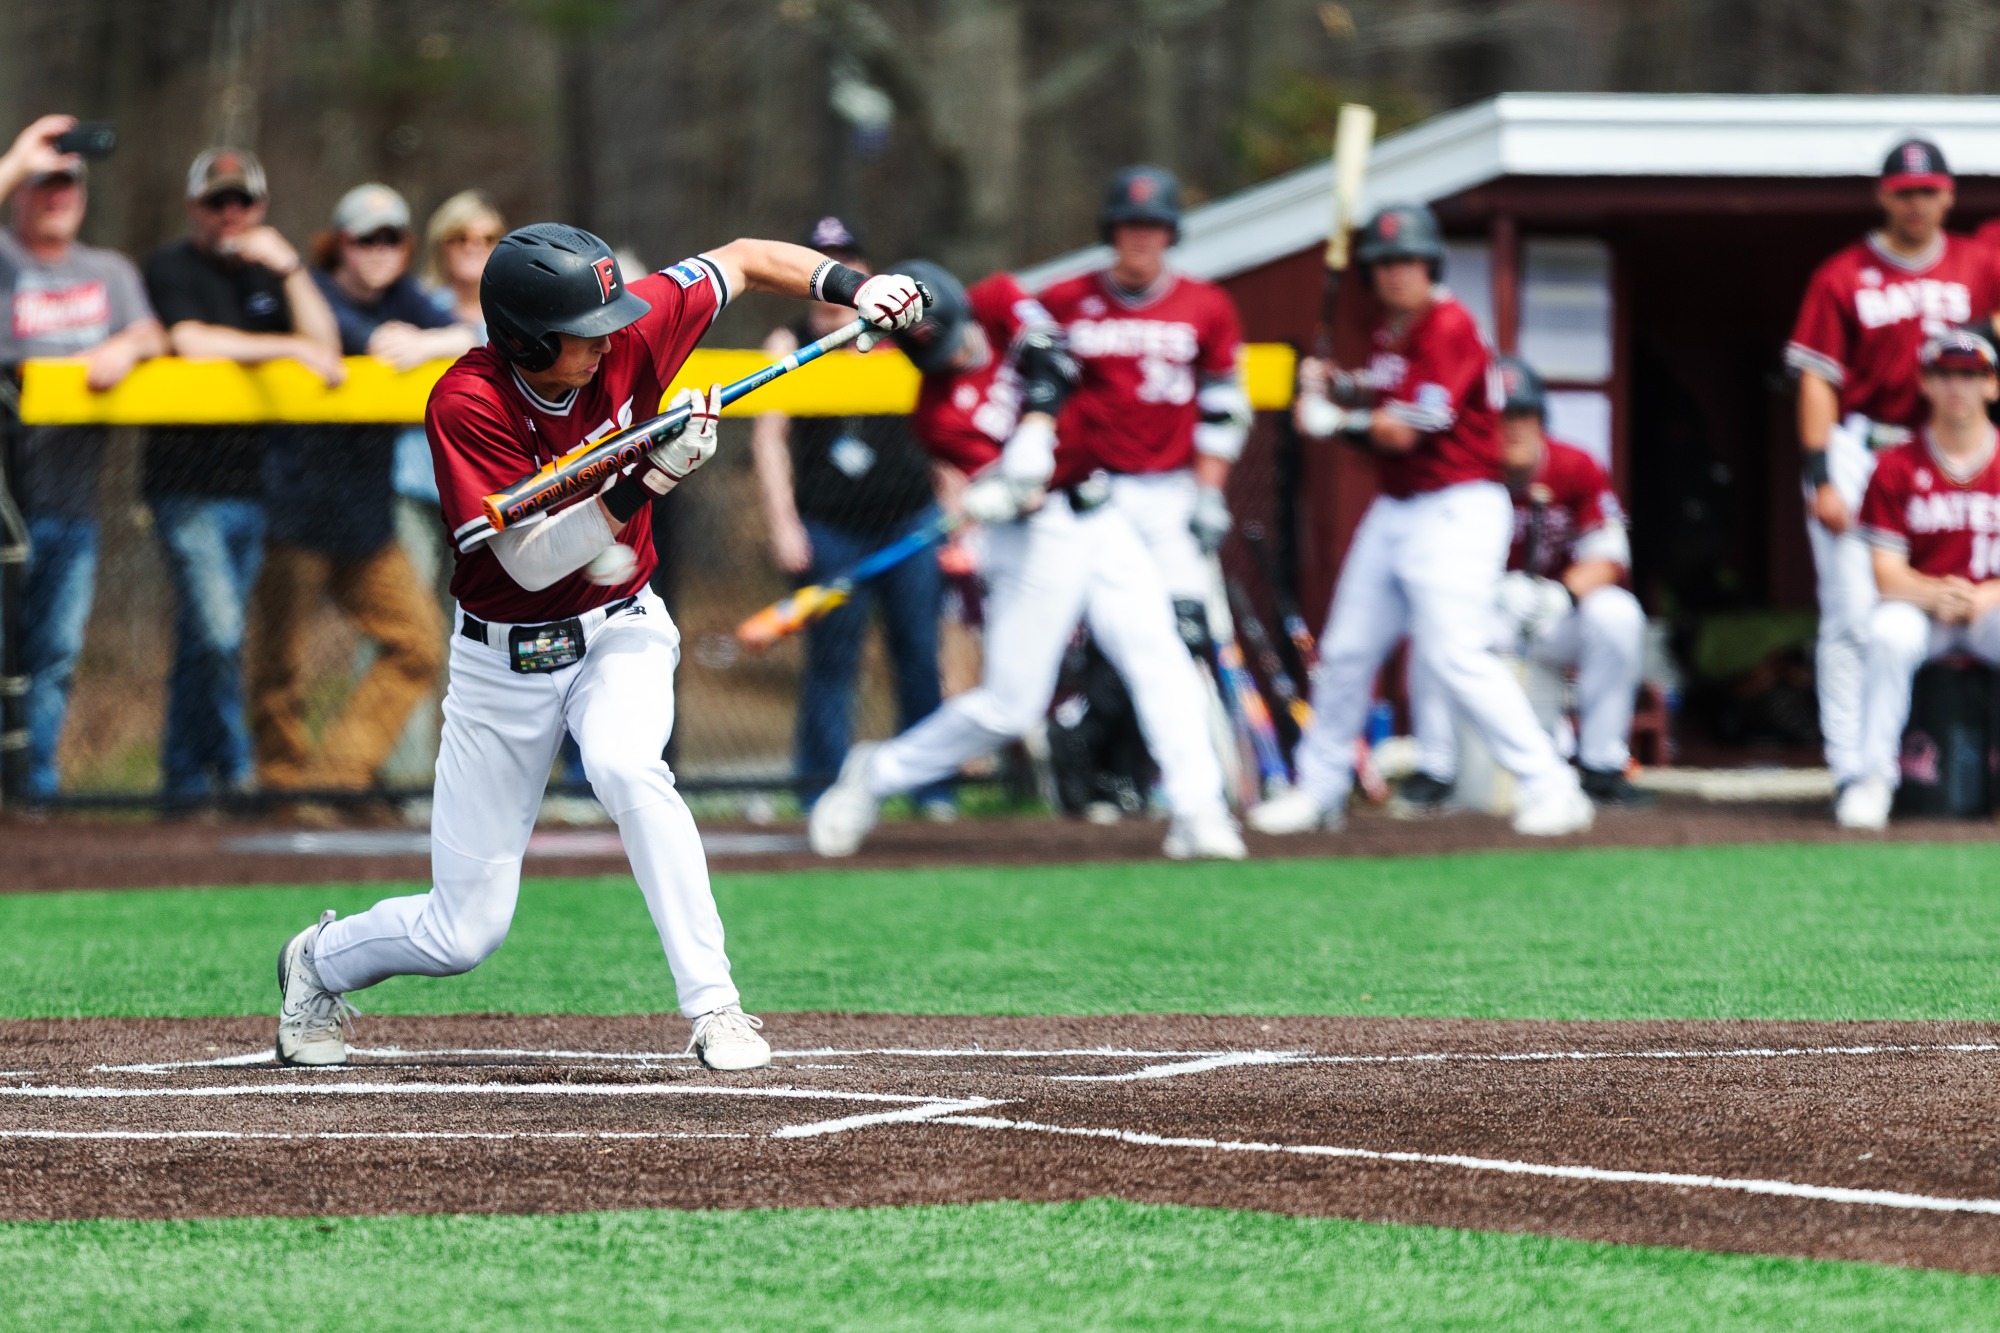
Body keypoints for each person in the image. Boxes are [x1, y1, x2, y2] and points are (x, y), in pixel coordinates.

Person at [275, 224, 928, 1070]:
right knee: (462, 931)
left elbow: (743, 259)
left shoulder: (629, 330)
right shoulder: (465, 402)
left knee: (625, 763)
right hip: (500, 659)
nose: (606, 339)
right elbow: (533, 560)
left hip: (619, 624)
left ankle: (717, 1007)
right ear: (525, 336)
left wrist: (848, 287)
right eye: (583, 329)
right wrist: (646, 478)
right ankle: (315, 963)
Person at [808, 260, 1243, 861]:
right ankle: (877, 774)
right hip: (1034, 537)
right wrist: (1001, 490)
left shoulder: (997, 297)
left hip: (1100, 508)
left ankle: (1200, 812)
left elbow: (1052, 355)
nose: (954, 357)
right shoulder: (937, 416)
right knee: (1010, 708)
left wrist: (1035, 432)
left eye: (955, 340)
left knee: (1158, 655)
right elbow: (1020, 490)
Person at [1250, 203, 1593, 839]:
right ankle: (1319, 789)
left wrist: (1334, 422)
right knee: (1349, 651)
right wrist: (1338, 384)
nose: (1395, 273)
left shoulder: (1450, 324)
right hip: (1400, 508)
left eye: (1407, 260)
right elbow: (1388, 389)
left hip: (1458, 506)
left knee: (1457, 653)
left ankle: (1552, 785)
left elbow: (1410, 428)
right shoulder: (1391, 331)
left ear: (1428, 263)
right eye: (1384, 263)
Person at [1786, 138, 2000, 808]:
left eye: (1929, 190)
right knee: (1854, 613)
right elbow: (1818, 379)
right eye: (1905, 191)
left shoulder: (1977, 260)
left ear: (1948, 195)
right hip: (1866, 443)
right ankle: (1857, 769)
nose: (1918, 203)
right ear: (1884, 195)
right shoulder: (1843, 273)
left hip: (1946, 439)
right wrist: (1820, 472)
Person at [248, 183, 475, 796]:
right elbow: (355, 339)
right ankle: (283, 790)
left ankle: (335, 781)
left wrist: (428, 342)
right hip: (296, 511)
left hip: (366, 518)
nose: (378, 250)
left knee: (419, 647)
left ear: (406, 248)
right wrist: (394, 341)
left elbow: (474, 337)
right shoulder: (311, 292)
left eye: (392, 238)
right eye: (363, 239)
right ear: (339, 245)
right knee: (280, 663)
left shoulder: (407, 298)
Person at [142, 147, 344, 807]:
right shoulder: (171, 265)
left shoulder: (269, 273)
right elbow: (193, 343)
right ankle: (232, 770)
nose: (231, 214)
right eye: (217, 201)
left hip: (253, 487)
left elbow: (329, 343)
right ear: (193, 206)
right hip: (185, 487)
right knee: (222, 631)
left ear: (260, 207)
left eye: (243, 201)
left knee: (205, 637)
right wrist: (288, 348)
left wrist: (289, 267)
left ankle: (180, 779)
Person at [750, 217, 951, 811]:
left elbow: (942, 424)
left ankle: (931, 789)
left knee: (918, 654)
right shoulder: (788, 342)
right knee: (832, 659)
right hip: (830, 528)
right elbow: (768, 439)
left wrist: (955, 507)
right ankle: (820, 791)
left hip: (909, 522)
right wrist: (783, 523)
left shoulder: (904, 338)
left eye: (847, 259)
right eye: (825, 260)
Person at [1403, 357, 1653, 812]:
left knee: (1618, 615)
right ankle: (1435, 768)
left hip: (1551, 614)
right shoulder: (1457, 473)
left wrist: (1562, 594)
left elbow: (1610, 556)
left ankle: (1601, 765)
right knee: (1431, 622)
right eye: (1503, 416)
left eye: (1524, 414)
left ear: (1541, 419)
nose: (1514, 427)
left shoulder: (1575, 467)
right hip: (1486, 613)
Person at [0, 115, 165, 800]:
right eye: (44, 182)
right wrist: (17, 158)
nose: (56, 193)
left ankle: (32, 791)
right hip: (7, 495)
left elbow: (152, 331)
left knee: (56, 653)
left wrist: (120, 349)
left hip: (72, 499)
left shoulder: (109, 272)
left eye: (68, 182)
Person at [1841, 330, 2000, 829]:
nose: (1958, 386)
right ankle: (1872, 780)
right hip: (1922, 608)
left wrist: (1985, 594)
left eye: (1971, 376)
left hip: (1989, 607)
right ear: (1925, 383)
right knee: (1886, 633)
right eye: (1945, 374)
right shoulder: (1894, 466)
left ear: (1992, 386)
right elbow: (1885, 575)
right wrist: (1938, 593)